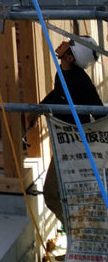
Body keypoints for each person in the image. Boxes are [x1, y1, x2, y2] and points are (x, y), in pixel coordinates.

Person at [27, 36, 103, 227]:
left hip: (76, 145)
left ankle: (79, 234)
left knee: (53, 195)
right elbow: (58, 94)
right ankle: (78, 235)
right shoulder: (63, 72)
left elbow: (99, 113)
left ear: (70, 57)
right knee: (59, 196)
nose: (62, 43)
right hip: (65, 142)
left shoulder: (81, 81)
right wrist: (39, 109)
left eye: (69, 44)